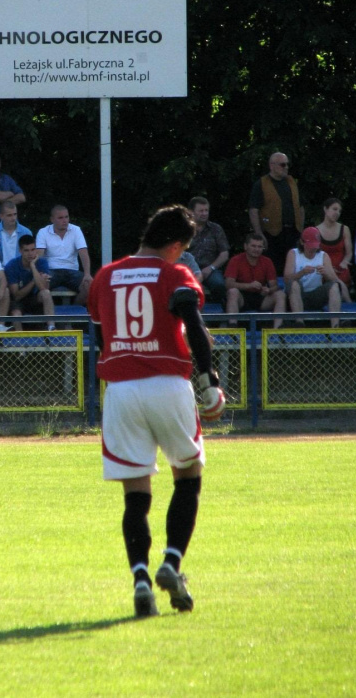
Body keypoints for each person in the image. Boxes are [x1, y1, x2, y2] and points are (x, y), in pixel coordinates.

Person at [88, 205, 225, 618]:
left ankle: (141, 581)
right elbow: (193, 323)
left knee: (135, 496)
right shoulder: (173, 274)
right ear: (174, 244)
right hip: (168, 383)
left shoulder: (105, 275)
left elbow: (101, 331)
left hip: (121, 390)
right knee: (188, 476)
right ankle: (171, 562)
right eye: (181, 248)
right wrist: (210, 380)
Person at [248, 152, 304, 276]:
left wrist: (301, 229)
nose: (286, 167)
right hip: (271, 235)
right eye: (283, 164)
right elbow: (253, 210)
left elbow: (300, 207)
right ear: (272, 165)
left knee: (292, 266)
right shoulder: (261, 184)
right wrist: (259, 234)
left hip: (293, 232)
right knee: (273, 268)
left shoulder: (292, 182)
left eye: (287, 164)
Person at [225, 232, 286, 329]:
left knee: (280, 295)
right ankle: (233, 327)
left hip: (260, 297)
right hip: (241, 298)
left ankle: (278, 330)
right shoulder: (236, 260)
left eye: (259, 247)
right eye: (253, 246)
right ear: (246, 246)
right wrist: (249, 285)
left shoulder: (267, 261)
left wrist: (269, 290)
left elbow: (275, 285)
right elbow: (228, 284)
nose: (256, 249)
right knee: (232, 292)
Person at [284, 227, 341, 328]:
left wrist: (325, 273)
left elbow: (334, 280)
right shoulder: (293, 253)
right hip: (297, 295)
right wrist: (301, 273)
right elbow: (287, 279)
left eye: (315, 246)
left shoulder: (323, 255)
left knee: (334, 286)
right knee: (294, 284)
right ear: (302, 242)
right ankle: (299, 322)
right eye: (310, 246)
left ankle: (335, 325)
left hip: (316, 296)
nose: (313, 249)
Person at [35, 205, 92, 305]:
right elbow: (40, 256)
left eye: (66, 217)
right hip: (51, 271)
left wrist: (87, 274)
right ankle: (49, 316)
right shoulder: (43, 232)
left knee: (90, 286)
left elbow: (83, 253)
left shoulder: (76, 230)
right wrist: (41, 273)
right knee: (41, 287)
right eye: (60, 218)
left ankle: (73, 314)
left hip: (72, 270)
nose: (65, 220)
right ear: (52, 219)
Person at [5, 235, 55, 330]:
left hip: (35, 298)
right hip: (18, 302)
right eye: (26, 250)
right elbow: (16, 295)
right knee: (16, 315)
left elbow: (43, 288)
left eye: (33, 250)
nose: (30, 254)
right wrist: (34, 280)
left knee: (46, 293)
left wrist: (32, 266)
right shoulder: (11, 266)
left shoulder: (42, 262)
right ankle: (19, 341)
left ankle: (51, 327)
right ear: (20, 251)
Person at [187, 196, 229, 304]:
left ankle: (219, 312)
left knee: (219, 284)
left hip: (210, 269)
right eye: (201, 211)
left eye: (206, 210)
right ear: (191, 212)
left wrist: (211, 267)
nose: (204, 213)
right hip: (188, 269)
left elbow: (224, 253)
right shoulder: (183, 229)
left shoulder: (216, 229)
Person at [316, 197, 353, 303]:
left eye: (339, 211)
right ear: (325, 209)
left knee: (343, 278)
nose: (337, 213)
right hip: (324, 268)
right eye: (334, 209)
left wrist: (345, 262)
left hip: (341, 267)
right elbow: (315, 255)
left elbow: (349, 253)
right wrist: (328, 268)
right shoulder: (316, 231)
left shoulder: (344, 229)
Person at [0, 201, 32, 265]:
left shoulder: (26, 232)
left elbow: (29, 256)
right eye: (9, 215)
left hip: (20, 270)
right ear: (1, 216)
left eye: (15, 214)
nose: (13, 218)